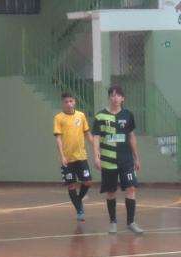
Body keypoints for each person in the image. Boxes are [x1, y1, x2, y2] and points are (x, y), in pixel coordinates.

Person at [92, 85, 143, 234]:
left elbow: (131, 136)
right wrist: (96, 156)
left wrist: (136, 158)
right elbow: (96, 137)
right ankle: (113, 222)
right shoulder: (100, 116)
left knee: (131, 188)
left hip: (126, 159)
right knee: (110, 191)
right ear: (109, 97)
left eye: (118, 95)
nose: (115, 98)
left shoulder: (128, 115)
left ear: (123, 98)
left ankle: (131, 222)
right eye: (112, 95)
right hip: (108, 160)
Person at [53, 92, 94, 222]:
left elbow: (87, 133)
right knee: (71, 186)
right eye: (66, 102)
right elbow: (58, 139)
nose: (69, 104)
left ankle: (78, 200)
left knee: (87, 181)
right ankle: (79, 210)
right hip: (68, 159)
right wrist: (62, 156)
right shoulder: (58, 118)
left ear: (74, 102)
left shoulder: (81, 116)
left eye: (71, 101)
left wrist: (96, 147)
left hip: (81, 156)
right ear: (63, 103)